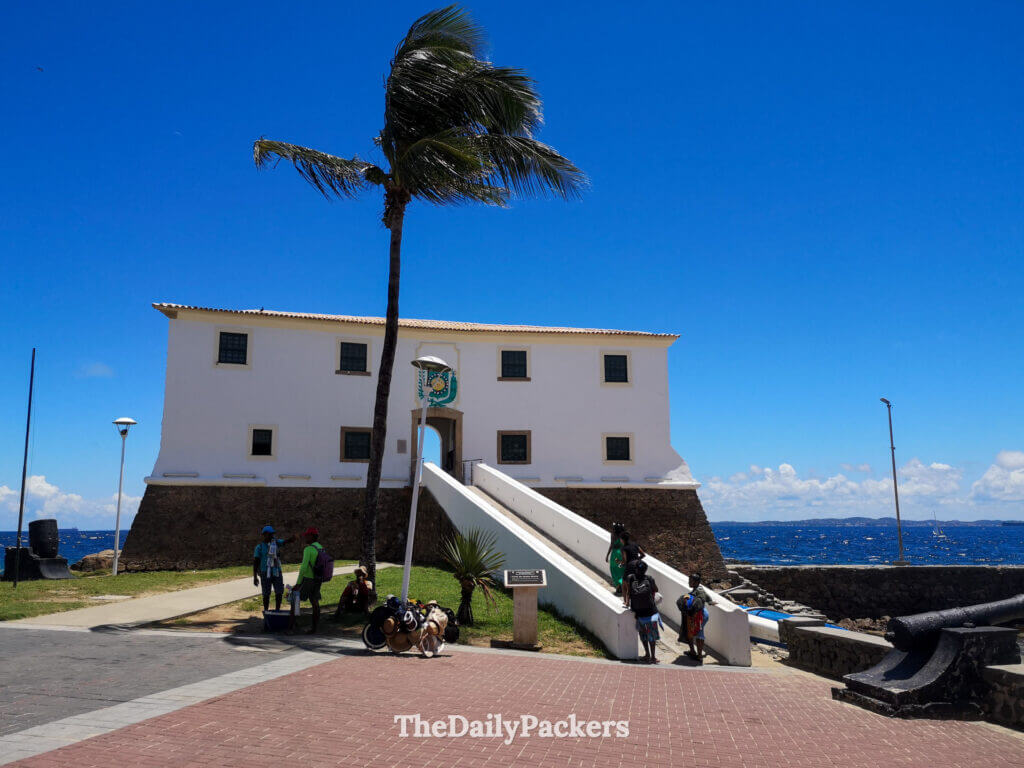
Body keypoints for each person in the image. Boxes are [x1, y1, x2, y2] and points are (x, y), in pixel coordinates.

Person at [623, 560, 661, 664]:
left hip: (638, 612)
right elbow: (656, 590)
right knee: (652, 636)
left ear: (636, 569)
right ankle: (653, 657)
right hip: (650, 612)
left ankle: (647, 655)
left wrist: (626, 602)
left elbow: (628, 592)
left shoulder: (630, 578)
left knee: (643, 635)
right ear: (645, 570)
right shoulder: (649, 578)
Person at [253, 525, 295, 611]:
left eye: (273, 534)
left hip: (276, 571)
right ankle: (266, 611)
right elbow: (256, 562)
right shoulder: (259, 547)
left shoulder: (275, 543)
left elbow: (284, 542)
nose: (272, 536)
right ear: (264, 535)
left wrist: (291, 539)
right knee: (266, 594)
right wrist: (255, 576)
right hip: (265, 573)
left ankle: (277, 610)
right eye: (270, 534)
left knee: (279, 592)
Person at [292, 527, 324, 634]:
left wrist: (298, 583)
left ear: (312, 536)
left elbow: (303, 568)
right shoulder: (321, 548)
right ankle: (314, 628)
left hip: (308, 579)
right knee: (315, 602)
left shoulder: (308, 549)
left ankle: (292, 628)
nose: (305, 537)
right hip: (318, 579)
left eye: (307, 535)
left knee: (294, 598)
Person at [677, 571, 714, 662]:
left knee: (698, 633)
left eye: (691, 581)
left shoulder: (699, 590)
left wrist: (691, 611)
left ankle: (699, 655)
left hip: (699, 615)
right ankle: (694, 652)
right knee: (693, 632)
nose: (689, 582)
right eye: (689, 580)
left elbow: (700, 600)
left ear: (697, 582)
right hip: (701, 614)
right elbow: (707, 597)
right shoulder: (698, 589)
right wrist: (710, 601)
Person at [606, 524, 626, 595]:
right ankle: (621, 586)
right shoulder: (623, 535)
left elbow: (611, 544)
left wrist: (607, 555)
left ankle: (618, 587)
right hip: (621, 554)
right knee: (621, 570)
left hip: (615, 555)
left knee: (613, 569)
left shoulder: (613, 535)